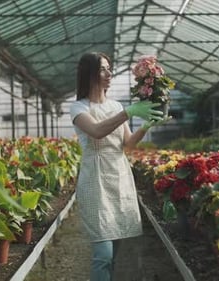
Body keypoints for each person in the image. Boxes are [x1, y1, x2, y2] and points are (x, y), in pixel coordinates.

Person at [70, 52, 168, 281]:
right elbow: (96, 131)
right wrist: (128, 112)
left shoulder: (115, 105)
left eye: (109, 68)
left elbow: (127, 143)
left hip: (119, 175)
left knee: (116, 249)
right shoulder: (78, 108)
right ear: (89, 74)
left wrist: (146, 126)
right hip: (95, 178)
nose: (109, 73)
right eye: (103, 69)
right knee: (103, 253)